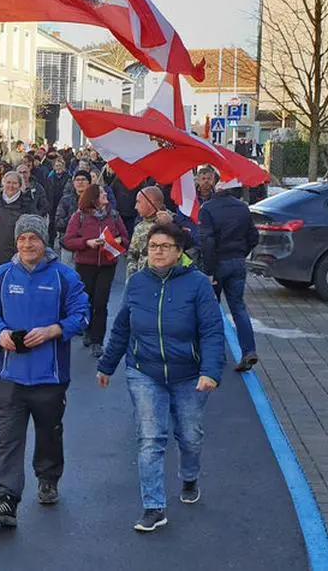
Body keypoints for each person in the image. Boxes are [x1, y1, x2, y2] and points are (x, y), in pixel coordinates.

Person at [97, 223, 225, 533]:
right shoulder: (138, 283)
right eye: (153, 245)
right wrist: (107, 364)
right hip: (144, 371)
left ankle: (189, 476)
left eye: (165, 246)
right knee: (150, 439)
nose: (158, 251)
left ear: (179, 251)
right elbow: (122, 326)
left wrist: (210, 371)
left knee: (190, 436)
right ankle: (153, 507)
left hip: (189, 374)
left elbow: (211, 330)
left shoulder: (197, 284)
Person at [0, 215, 90, 528]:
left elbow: (82, 316)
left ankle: (48, 476)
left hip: (49, 376)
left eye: (34, 239)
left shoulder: (63, 277)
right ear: (16, 243)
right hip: (9, 375)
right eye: (22, 239)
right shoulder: (1, 276)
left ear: (44, 242)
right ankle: (5, 497)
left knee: (48, 433)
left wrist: (54, 330)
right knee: (8, 438)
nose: (28, 244)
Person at [199, 181, 261, 372]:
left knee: (211, 309)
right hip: (237, 261)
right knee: (238, 307)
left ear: (216, 190)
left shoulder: (207, 209)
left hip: (218, 263)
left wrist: (209, 271)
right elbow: (254, 236)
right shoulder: (242, 208)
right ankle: (249, 350)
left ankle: (215, 354)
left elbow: (207, 242)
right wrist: (242, 253)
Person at [63, 185, 129, 358]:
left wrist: (117, 240)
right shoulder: (79, 216)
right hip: (86, 264)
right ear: (93, 198)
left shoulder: (114, 215)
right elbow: (68, 241)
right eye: (101, 193)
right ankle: (87, 329)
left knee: (101, 303)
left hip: (107, 264)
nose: (106, 194)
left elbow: (125, 239)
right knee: (87, 300)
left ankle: (97, 340)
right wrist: (87, 242)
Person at [0, 172, 38, 350]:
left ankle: (11, 332)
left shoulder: (27, 205)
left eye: (14, 183)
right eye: (8, 182)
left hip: (15, 258)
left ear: (20, 185)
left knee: (12, 297)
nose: (11, 186)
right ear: (3, 183)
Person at [127, 187, 198, 277]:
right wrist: (132, 277)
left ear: (150, 203)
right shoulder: (139, 225)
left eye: (138, 202)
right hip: (144, 280)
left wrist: (172, 224)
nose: (135, 207)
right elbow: (132, 254)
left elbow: (191, 245)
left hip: (170, 280)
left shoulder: (175, 220)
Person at [54, 170, 92, 247]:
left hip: (89, 244)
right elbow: (58, 224)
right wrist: (74, 215)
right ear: (73, 183)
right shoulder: (65, 200)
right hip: (68, 245)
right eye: (77, 180)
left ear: (89, 183)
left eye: (83, 179)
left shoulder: (94, 200)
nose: (80, 182)